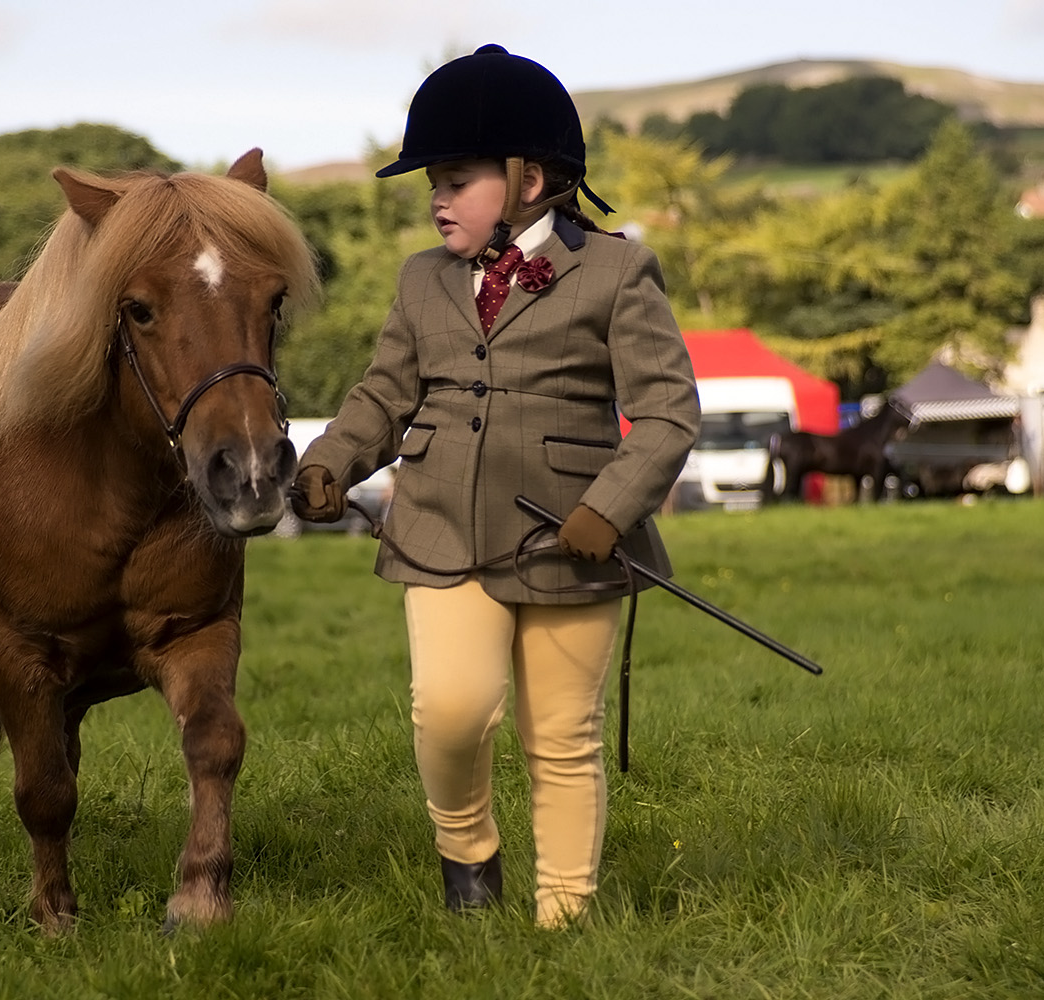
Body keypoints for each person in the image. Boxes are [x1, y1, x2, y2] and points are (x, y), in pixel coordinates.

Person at [290, 45, 700, 928]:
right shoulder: (419, 279)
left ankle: (565, 917)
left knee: (560, 737)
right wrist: (329, 459)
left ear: (528, 180)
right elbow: (383, 395)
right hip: (436, 530)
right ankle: (468, 855)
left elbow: (666, 414)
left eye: (455, 178)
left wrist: (608, 510)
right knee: (448, 712)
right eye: (432, 181)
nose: (436, 197)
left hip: (570, 538)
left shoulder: (617, 273)